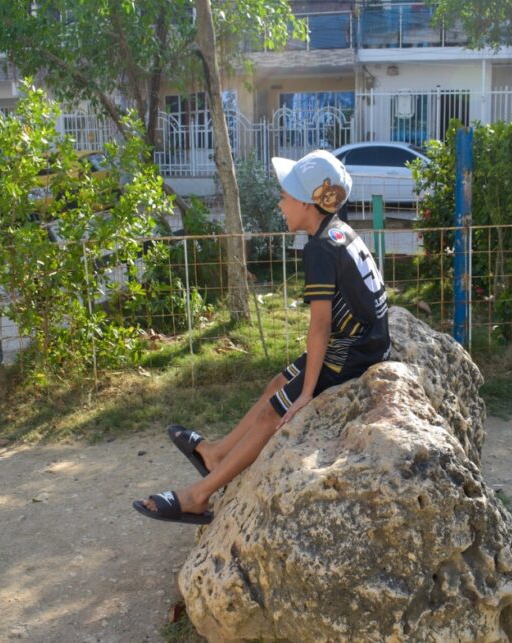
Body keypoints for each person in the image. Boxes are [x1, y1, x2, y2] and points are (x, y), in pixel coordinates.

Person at [134, 150, 391, 525]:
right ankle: (219, 454)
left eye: (285, 195)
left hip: (353, 354)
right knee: (277, 383)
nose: (280, 202)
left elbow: (319, 326)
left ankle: (197, 496)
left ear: (306, 204)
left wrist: (306, 394)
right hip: (361, 342)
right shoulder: (338, 232)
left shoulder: (320, 249)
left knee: (276, 411)